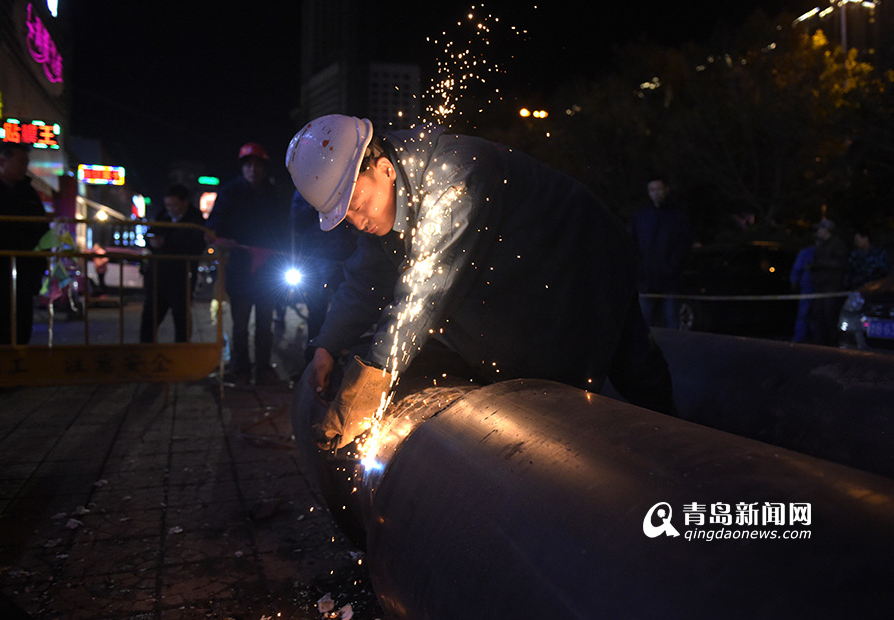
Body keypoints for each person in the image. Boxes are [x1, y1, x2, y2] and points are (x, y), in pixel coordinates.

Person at [286, 114, 676, 450]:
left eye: (355, 206)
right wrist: (327, 346)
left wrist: (368, 388)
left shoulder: (455, 177)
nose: (358, 222)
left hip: (585, 257)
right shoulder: (391, 194)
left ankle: (679, 447)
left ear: (384, 168)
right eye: (345, 217)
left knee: (630, 364)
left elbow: (422, 295)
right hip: (529, 276)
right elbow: (364, 280)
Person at [206, 142, 287, 384]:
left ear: (264, 168)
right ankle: (240, 367)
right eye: (249, 164)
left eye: (258, 165)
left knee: (265, 324)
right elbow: (214, 226)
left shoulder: (272, 195)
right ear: (243, 167)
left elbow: (283, 228)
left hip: (268, 271)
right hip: (240, 269)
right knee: (240, 324)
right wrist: (220, 239)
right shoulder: (229, 193)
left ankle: (262, 368)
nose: (253, 169)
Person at [0, 143, 48, 345]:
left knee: (20, 330)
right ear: (2, 161)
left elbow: (42, 232)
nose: (24, 167)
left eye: (26, 162)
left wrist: (38, 268)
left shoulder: (29, 194)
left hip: (23, 274)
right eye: (21, 162)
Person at [290, 189, 358, 355]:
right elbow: (296, 223)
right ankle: (314, 358)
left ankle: (339, 358)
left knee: (343, 310)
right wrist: (311, 207)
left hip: (340, 256)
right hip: (313, 257)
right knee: (315, 312)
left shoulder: (343, 183)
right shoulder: (304, 189)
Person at [140, 183, 206, 343]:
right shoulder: (163, 215)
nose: (171, 209)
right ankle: (145, 357)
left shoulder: (195, 220)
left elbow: (195, 245)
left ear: (185, 203)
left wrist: (165, 243)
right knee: (149, 321)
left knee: (182, 322)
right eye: (168, 205)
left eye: (174, 205)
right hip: (158, 277)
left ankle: (182, 358)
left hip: (181, 278)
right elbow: (149, 235)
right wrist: (151, 242)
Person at [630, 177, 694, 329]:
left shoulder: (677, 215)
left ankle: (672, 350)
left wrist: (672, 267)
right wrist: (641, 269)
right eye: (652, 190)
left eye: (659, 189)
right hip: (647, 280)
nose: (656, 193)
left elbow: (684, 244)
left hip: (669, 280)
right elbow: (633, 243)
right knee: (644, 319)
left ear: (666, 190)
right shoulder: (641, 216)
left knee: (671, 317)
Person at [809, 218, 847, 346]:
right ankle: (821, 343)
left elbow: (840, 264)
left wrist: (822, 264)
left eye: (820, 228)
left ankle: (833, 344)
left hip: (831, 286)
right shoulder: (821, 245)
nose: (818, 231)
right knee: (818, 315)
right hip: (820, 285)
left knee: (829, 315)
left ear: (827, 230)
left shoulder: (836, 244)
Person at [789, 242, 816, 343]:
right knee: (804, 314)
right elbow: (797, 268)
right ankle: (799, 339)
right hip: (807, 288)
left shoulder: (823, 252)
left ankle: (816, 339)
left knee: (816, 315)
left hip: (820, 288)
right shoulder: (807, 252)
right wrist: (794, 281)